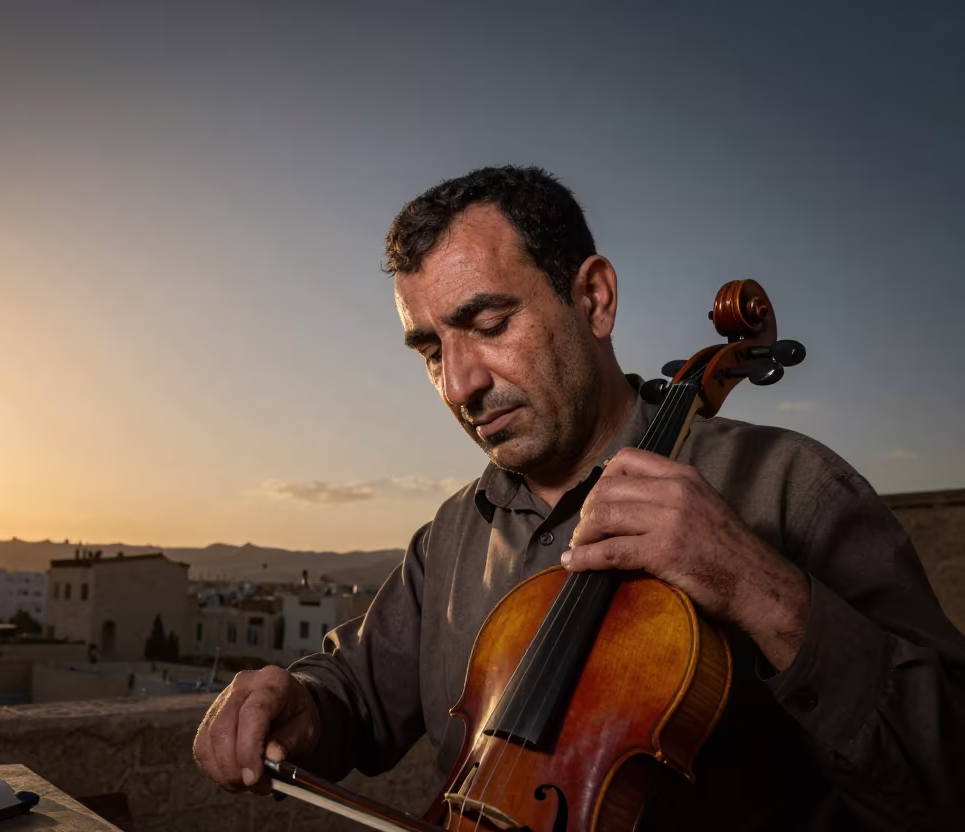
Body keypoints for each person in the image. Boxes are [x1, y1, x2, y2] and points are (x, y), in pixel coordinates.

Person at [192, 166, 965, 830]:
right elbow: (354, 690)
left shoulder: (793, 488)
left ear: (594, 299)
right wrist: (300, 702)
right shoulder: (455, 535)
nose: (459, 385)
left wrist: (762, 589)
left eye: (489, 324)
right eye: (431, 351)